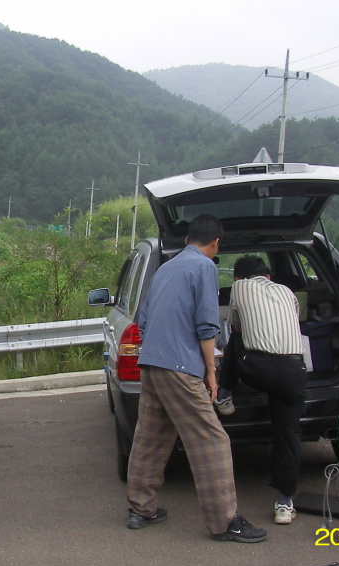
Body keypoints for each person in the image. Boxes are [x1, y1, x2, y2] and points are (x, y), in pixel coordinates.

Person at [125, 214, 266, 543]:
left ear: (189, 238)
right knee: (211, 440)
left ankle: (140, 509)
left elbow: (143, 321)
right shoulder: (205, 267)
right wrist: (211, 372)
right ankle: (224, 521)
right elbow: (206, 326)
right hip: (179, 366)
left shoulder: (164, 269)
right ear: (215, 243)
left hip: (151, 364)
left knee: (151, 439)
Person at [215, 255, 307, 525]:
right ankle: (284, 502)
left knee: (235, 338)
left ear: (237, 278)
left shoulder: (240, 288)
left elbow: (238, 326)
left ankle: (225, 393)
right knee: (288, 433)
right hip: (294, 372)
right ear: (268, 276)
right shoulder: (288, 292)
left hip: (258, 369)